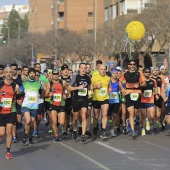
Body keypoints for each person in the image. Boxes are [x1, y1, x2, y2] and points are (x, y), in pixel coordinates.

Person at [119, 60, 146, 139]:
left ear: (135, 66)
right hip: (128, 93)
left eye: (133, 64)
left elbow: (144, 83)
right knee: (131, 112)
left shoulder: (139, 73)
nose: (132, 65)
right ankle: (133, 131)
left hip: (137, 93)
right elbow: (120, 82)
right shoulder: (125, 74)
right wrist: (122, 89)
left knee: (135, 112)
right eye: (130, 64)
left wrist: (139, 84)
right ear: (128, 66)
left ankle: (129, 121)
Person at [68, 63, 92, 142]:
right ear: (79, 69)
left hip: (84, 99)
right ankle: (75, 129)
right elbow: (69, 87)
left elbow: (90, 86)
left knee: (84, 116)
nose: (83, 69)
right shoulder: (75, 76)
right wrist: (78, 87)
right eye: (82, 68)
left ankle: (83, 135)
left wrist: (91, 91)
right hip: (76, 99)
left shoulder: (88, 77)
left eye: (85, 68)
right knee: (75, 117)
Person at [0, 67, 20, 159]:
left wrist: (19, 100)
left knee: (9, 131)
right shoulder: (0, 85)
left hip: (11, 110)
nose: (8, 74)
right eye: (6, 72)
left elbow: (19, 97)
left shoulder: (15, 86)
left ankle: (8, 151)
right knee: (2, 132)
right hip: (1, 111)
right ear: (3, 74)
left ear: (12, 74)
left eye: (10, 72)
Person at [45, 69, 68, 143]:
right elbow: (45, 94)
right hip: (53, 104)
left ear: (59, 74)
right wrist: (49, 94)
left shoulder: (63, 82)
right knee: (54, 122)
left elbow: (69, 89)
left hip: (61, 104)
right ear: (52, 74)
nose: (55, 75)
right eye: (54, 74)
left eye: (57, 74)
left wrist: (66, 95)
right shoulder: (49, 84)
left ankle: (63, 130)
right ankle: (56, 136)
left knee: (61, 122)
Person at [21, 68, 42, 145]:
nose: (32, 75)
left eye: (33, 73)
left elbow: (41, 93)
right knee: (28, 120)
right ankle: (25, 135)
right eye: (31, 73)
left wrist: (41, 94)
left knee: (32, 123)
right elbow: (20, 92)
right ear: (28, 74)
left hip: (35, 105)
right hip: (26, 105)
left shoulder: (38, 84)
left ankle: (29, 136)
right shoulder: (24, 83)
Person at [91, 64, 110, 140]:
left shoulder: (108, 78)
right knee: (96, 116)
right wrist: (96, 86)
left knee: (105, 114)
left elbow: (109, 86)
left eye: (104, 69)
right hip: (96, 98)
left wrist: (110, 89)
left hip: (105, 98)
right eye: (101, 69)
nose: (103, 71)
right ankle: (95, 128)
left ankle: (103, 131)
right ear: (98, 69)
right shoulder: (94, 77)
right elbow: (91, 87)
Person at [140, 68, 158, 136]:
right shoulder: (141, 81)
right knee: (143, 116)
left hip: (150, 101)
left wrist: (156, 94)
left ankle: (148, 120)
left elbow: (155, 89)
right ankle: (143, 129)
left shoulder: (153, 81)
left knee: (152, 115)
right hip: (142, 101)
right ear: (143, 73)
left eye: (148, 72)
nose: (147, 73)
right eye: (146, 72)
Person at [60, 64, 73, 138]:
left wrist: (68, 93)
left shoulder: (71, 79)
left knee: (69, 115)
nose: (66, 71)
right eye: (64, 70)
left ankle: (68, 125)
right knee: (64, 115)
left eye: (67, 69)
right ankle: (64, 130)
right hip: (62, 99)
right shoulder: (59, 79)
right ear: (61, 71)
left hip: (70, 99)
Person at [108, 69, 120, 137]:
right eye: (114, 73)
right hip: (109, 101)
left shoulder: (118, 82)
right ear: (111, 74)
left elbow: (121, 89)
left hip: (116, 100)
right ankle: (104, 128)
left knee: (115, 115)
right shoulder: (108, 81)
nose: (115, 75)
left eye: (116, 73)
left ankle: (112, 130)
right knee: (107, 116)